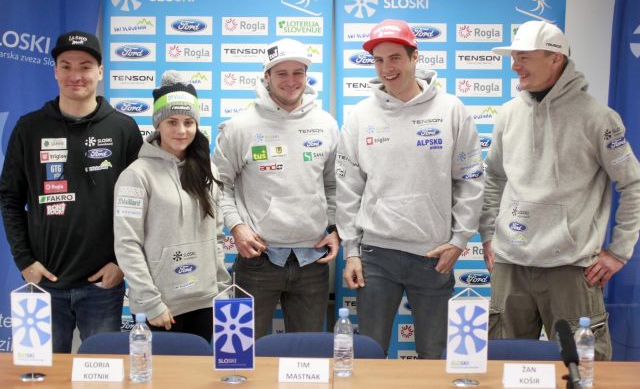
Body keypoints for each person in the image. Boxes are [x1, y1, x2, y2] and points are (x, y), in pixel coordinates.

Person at [479, 20, 640, 360]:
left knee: (584, 368)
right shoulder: (508, 114)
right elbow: (493, 178)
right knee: (502, 365)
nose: (514, 65)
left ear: (555, 59)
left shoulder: (598, 118)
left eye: (523, 56)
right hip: (511, 264)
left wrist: (619, 251)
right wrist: (488, 236)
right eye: (513, 56)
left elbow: (633, 182)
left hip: (571, 266)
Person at [336, 19, 485, 359]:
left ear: (415, 57)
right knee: (369, 353)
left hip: (433, 255)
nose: (387, 68)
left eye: (395, 58)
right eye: (379, 60)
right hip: (376, 255)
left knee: (435, 355)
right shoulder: (360, 115)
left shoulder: (451, 110)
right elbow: (348, 189)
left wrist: (459, 240)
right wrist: (352, 251)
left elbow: (471, 179)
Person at [0, 30, 143, 352]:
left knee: (103, 375)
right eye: (66, 66)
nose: (75, 75)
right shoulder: (29, 127)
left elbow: (140, 203)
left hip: (102, 285)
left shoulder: (123, 128)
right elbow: (9, 198)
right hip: (42, 283)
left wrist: (122, 262)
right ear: (54, 70)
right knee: (38, 376)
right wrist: (25, 261)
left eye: (85, 66)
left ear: (100, 71)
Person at [212, 38, 339, 339]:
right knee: (241, 353)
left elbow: (334, 185)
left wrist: (336, 227)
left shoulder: (326, 124)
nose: (291, 81)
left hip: (313, 261)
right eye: (281, 73)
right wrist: (237, 227)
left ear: (307, 76)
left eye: (298, 72)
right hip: (258, 260)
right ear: (266, 76)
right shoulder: (240, 126)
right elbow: (219, 185)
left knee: (307, 358)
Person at [114, 71, 231, 342]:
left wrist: (221, 289)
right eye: (172, 122)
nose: (181, 130)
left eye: (189, 122)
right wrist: (150, 302)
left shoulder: (207, 169)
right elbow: (127, 244)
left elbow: (216, 235)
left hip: (205, 300)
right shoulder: (136, 175)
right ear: (158, 124)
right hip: (160, 306)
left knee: (200, 379)